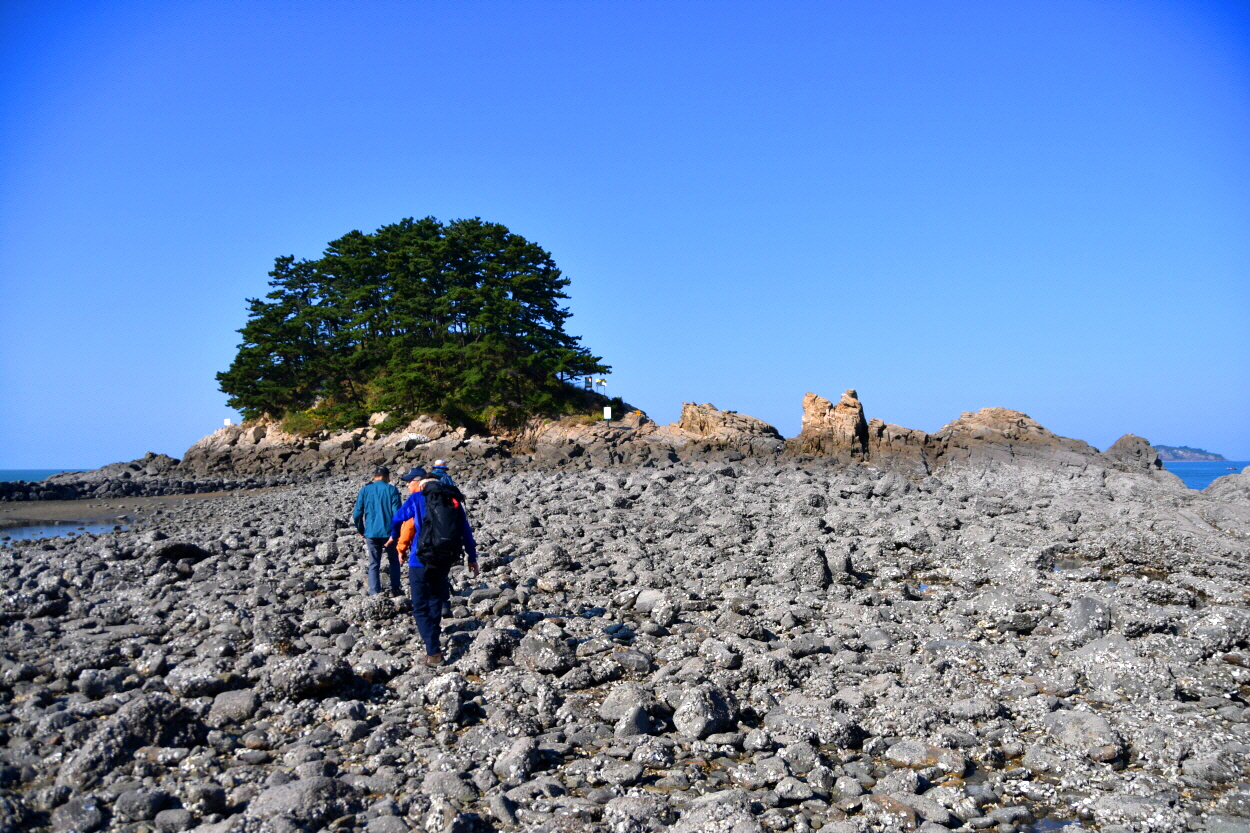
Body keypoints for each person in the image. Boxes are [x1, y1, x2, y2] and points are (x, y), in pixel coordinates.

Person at [387, 475, 479, 666]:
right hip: (444, 558)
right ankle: (434, 638)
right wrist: (472, 557)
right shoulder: (452, 499)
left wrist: (395, 537)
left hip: (419, 559)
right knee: (435, 598)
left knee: (420, 607)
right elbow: (465, 530)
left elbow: (397, 519)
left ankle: (433, 651)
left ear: (422, 486)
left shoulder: (417, 497)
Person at [352, 466, 403, 596]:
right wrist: (397, 531)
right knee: (393, 560)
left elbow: (357, 513)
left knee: (374, 563)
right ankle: (395, 588)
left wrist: (361, 529)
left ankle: (374, 592)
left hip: (371, 531)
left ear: (374, 477)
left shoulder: (365, 490)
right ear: (386, 477)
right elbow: (397, 513)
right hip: (389, 532)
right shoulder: (392, 489)